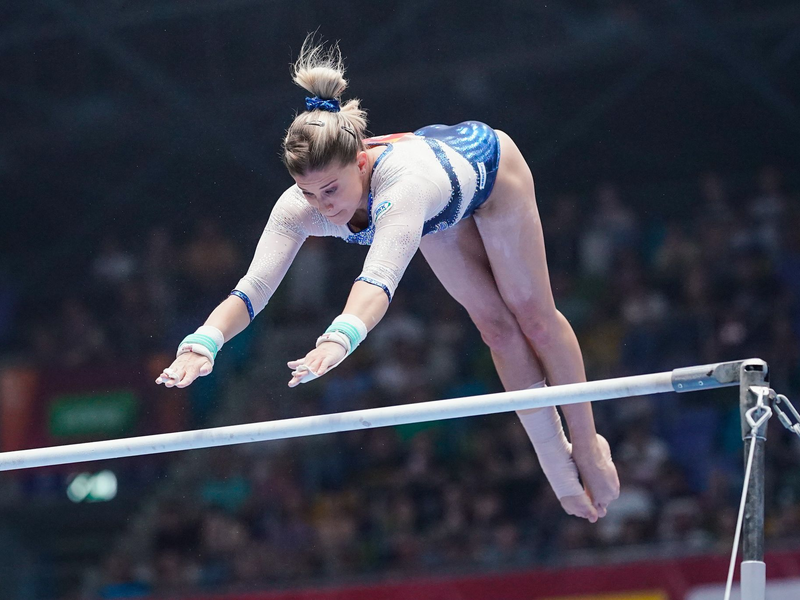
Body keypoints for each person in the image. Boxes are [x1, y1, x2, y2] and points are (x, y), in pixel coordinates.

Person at [156, 37, 619, 523]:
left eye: (331, 189)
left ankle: (586, 443)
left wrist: (340, 337)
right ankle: (555, 461)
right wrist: (202, 343)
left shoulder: (402, 185)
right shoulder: (300, 207)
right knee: (495, 330)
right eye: (309, 193)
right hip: (434, 211)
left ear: (360, 161)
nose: (324, 206)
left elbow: (377, 281)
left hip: (488, 172)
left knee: (533, 317)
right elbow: (252, 288)